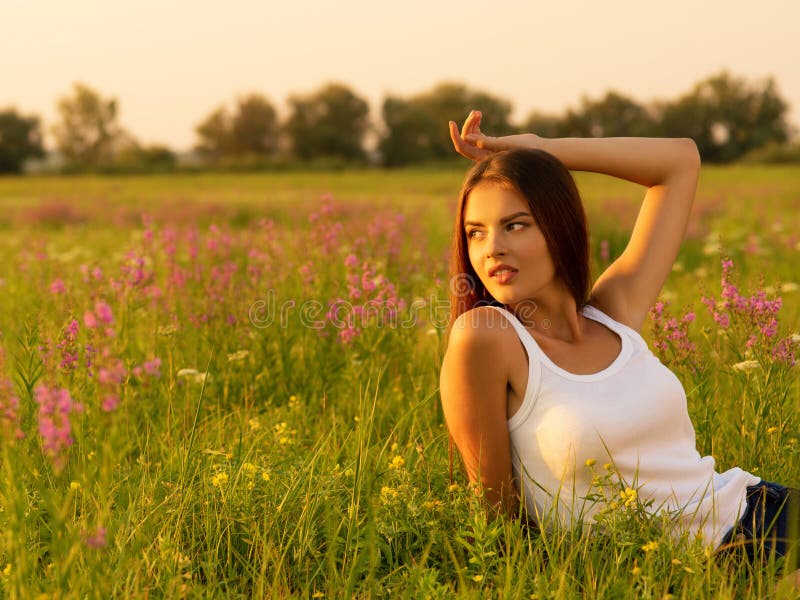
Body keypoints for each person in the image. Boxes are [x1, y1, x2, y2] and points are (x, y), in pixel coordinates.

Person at [439, 110, 798, 565]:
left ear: (558, 224)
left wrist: (542, 150)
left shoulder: (613, 313)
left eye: (515, 225)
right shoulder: (487, 337)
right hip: (704, 565)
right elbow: (495, 521)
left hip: (762, 509)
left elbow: (680, 161)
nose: (492, 248)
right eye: (476, 233)